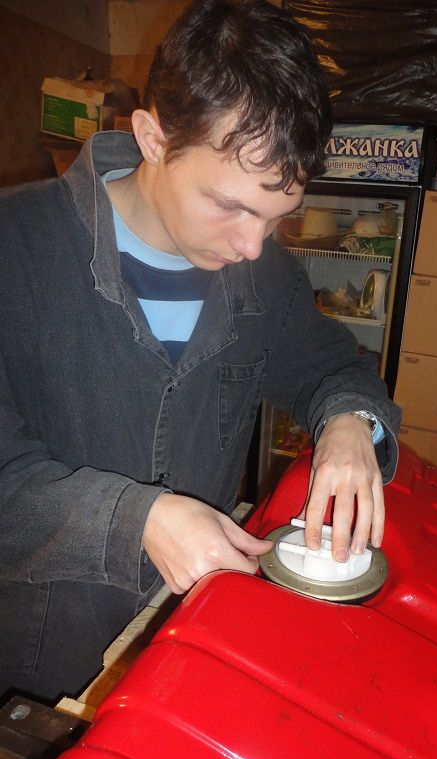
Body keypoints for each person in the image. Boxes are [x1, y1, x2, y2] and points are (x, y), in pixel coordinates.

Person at [0, 0, 401, 704]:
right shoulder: (16, 249)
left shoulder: (262, 276)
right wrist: (137, 519)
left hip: (191, 646)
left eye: (276, 218)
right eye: (231, 205)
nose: (251, 246)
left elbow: (332, 366)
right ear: (153, 138)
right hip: (41, 672)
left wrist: (349, 422)